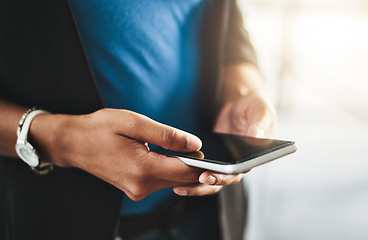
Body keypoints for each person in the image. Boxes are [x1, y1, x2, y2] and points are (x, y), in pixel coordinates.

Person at [0, 0, 275, 239]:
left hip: (208, 218)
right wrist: (63, 141)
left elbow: (228, 23)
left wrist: (243, 88)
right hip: (55, 219)